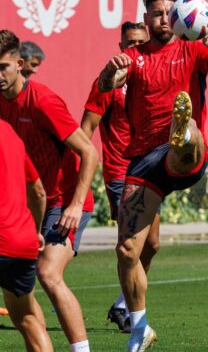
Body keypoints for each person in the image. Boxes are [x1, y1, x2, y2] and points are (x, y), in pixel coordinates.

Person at [97, 0, 208, 352]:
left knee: (186, 136)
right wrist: (108, 71)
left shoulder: (193, 49)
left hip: (182, 158)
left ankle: (185, 131)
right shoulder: (133, 57)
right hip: (143, 163)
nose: (163, 19)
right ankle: (140, 329)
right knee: (127, 251)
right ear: (146, 19)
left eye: (168, 12)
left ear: (177, 16)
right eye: (156, 13)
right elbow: (106, 87)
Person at [0, 29, 98, 351]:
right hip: (31, 205)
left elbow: (89, 152)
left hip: (65, 201)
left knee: (48, 272)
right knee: (22, 299)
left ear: (20, 64)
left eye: (3, 67)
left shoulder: (42, 101)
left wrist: (75, 204)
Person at [80, 21, 158, 332]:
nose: (132, 49)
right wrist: (79, 172)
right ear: (120, 46)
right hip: (120, 173)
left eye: (139, 43)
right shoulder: (109, 81)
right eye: (128, 43)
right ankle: (132, 314)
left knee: (151, 245)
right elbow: (86, 128)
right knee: (130, 247)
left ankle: (121, 304)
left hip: (150, 173)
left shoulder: (150, 78)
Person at [0, 119, 53, 352]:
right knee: (26, 317)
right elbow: (39, 191)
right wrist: (35, 230)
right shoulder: (9, 131)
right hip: (21, 240)